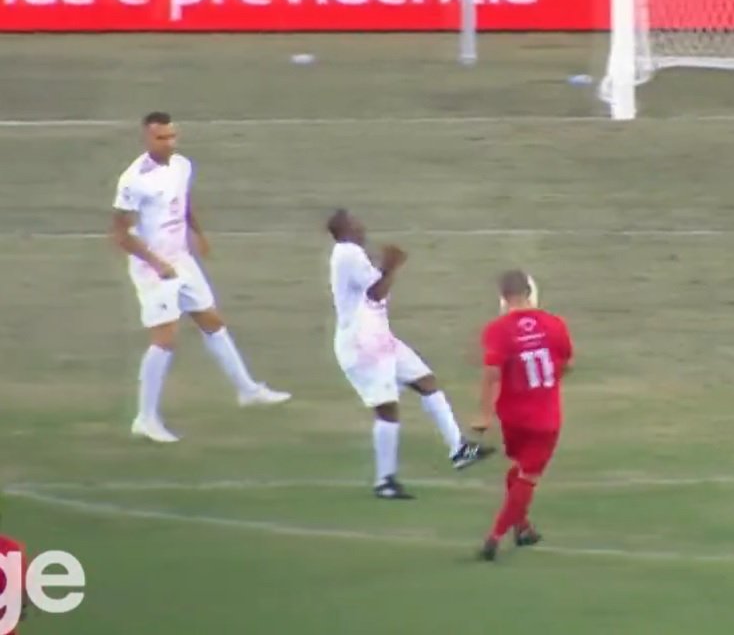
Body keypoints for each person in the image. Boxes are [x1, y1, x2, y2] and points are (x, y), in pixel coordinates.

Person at [112, 112, 290, 445]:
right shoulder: (133, 180)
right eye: (161, 138)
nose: (169, 143)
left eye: (172, 136)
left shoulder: (182, 165)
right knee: (164, 339)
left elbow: (184, 202)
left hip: (182, 259)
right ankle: (145, 418)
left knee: (212, 321)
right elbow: (120, 234)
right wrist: (156, 262)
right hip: (154, 267)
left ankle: (247, 390)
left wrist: (198, 233)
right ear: (147, 139)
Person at [327, 210, 493, 500]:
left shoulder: (352, 255)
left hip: (378, 338)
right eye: (355, 222)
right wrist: (390, 268)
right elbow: (375, 294)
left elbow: (375, 293)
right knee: (387, 409)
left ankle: (459, 449)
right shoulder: (348, 253)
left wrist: (387, 270)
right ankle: (384, 481)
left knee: (426, 381)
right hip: (362, 344)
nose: (361, 225)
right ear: (344, 229)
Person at [473, 269, 574, 561]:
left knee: (517, 471)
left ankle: (523, 528)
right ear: (530, 292)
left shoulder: (496, 330)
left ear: (503, 297)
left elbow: (492, 373)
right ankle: (495, 536)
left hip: (512, 417)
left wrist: (483, 415)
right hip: (545, 418)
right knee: (528, 476)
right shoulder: (555, 325)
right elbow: (565, 364)